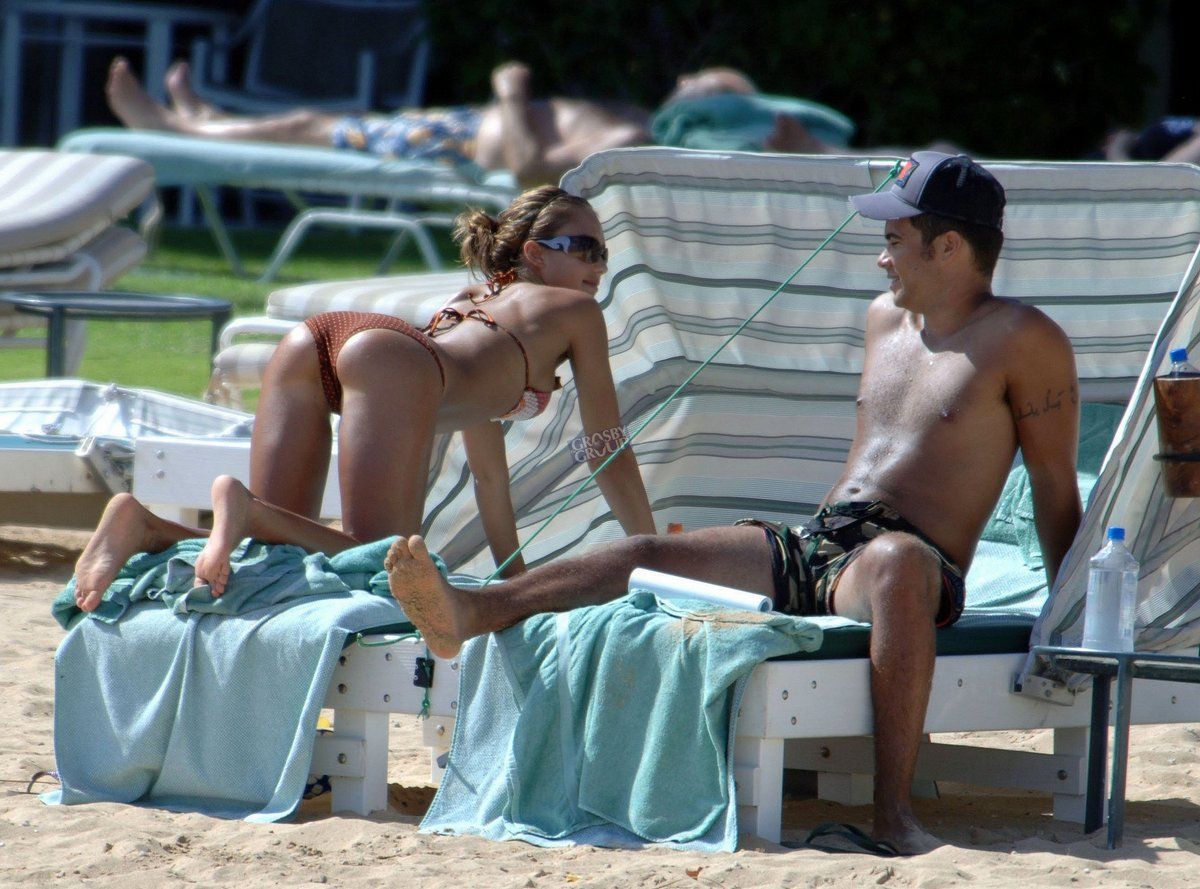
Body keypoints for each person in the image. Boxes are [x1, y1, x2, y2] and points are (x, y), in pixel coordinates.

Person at [383, 151, 1084, 854]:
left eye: (894, 240)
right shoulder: (884, 320)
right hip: (820, 543)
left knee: (897, 561)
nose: (881, 259)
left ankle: (893, 815)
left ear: (949, 246)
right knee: (645, 554)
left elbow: (1054, 485)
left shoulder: (1025, 340)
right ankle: (473, 610)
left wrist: (1069, 617)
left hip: (909, 562)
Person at [72, 184, 657, 609]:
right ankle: (242, 506)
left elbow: (487, 476)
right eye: (586, 249)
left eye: (605, 254)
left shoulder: (470, 303)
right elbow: (605, 446)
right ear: (535, 252)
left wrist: (513, 582)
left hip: (317, 341)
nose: (600, 266)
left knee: (275, 556)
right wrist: (649, 553)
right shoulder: (575, 311)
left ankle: (143, 524)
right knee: (380, 561)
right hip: (389, 361)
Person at [103, 58, 843, 186]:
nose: (680, 81)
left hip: (458, 142)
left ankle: (180, 130)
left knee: (303, 123)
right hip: (459, 125)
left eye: (697, 85)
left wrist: (511, 93)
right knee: (308, 120)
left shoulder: (628, 138)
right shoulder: (636, 119)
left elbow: (525, 169)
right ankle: (197, 119)